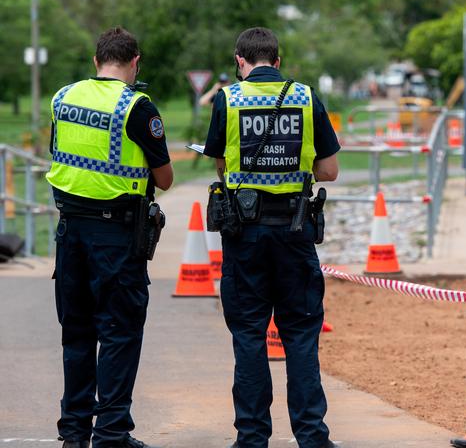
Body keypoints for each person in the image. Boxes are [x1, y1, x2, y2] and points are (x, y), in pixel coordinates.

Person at [203, 27, 340, 448]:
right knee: (300, 335)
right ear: (278, 61)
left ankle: (251, 437)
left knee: (248, 335)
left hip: (244, 235)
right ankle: (312, 437)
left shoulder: (227, 99)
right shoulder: (305, 96)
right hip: (296, 233)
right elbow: (330, 171)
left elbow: (221, 166)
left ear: (239, 61)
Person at [46, 27, 173, 448]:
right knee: (118, 332)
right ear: (135, 62)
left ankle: (74, 433)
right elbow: (166, 179)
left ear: (95, 60)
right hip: (116, 236)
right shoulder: (137, 107)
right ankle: (112, 433)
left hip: (70, 233)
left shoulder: (62, 98)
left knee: (77, 332)